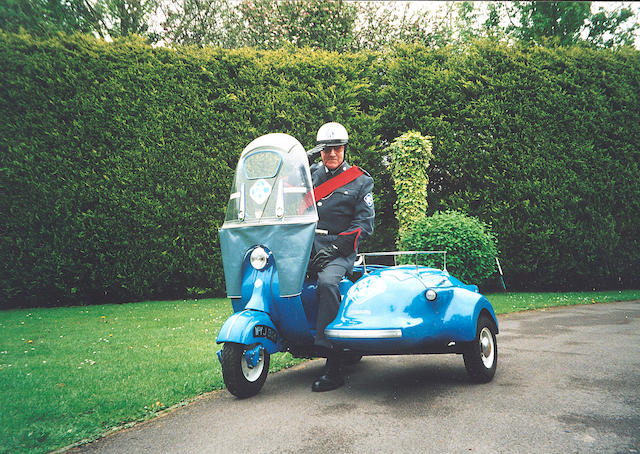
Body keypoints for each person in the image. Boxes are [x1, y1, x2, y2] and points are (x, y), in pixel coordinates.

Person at [307, 122, 375, 392]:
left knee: (327, 284)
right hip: (305, 247)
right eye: (326, 149)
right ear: (320, 152)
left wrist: (334, 249)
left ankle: (333, 365)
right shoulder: (308, 175)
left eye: (336, 148)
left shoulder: (360, 181)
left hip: (339, 250)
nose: (331, 153)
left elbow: (363, 225)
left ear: (345, 149)